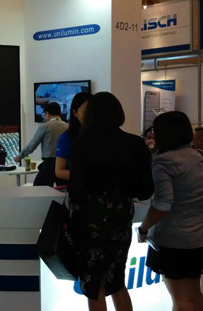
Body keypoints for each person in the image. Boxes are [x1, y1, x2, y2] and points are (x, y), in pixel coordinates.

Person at [69, 92, 153, 311]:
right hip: (120, 218)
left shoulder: (83, 144)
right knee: (117, 281)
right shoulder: (135, 143)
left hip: (89, 221)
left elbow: (75, 189)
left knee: (93, 283)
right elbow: (145, 190)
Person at [138, 111, 203, 311]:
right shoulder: (198, 156)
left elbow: (162, 204)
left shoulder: (163, 161)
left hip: (173, 240)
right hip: (197, 238)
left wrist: (143, 228)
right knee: (195, 293)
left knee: (181, 299)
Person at [14, 101, 69, 187]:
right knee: (63, 190)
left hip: (49, 164)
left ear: (48, 114)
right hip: (64, 164)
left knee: (39, 189)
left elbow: (32, 145)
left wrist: (19, 156)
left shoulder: (45, 126)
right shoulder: (68, 127)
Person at [54, 91, 92, 182]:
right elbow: (59, 171)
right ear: (75, 113)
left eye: (92, 113)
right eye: (85, 113)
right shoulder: (67, 138)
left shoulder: (103, 134)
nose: (90, 117)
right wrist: (89, 178)